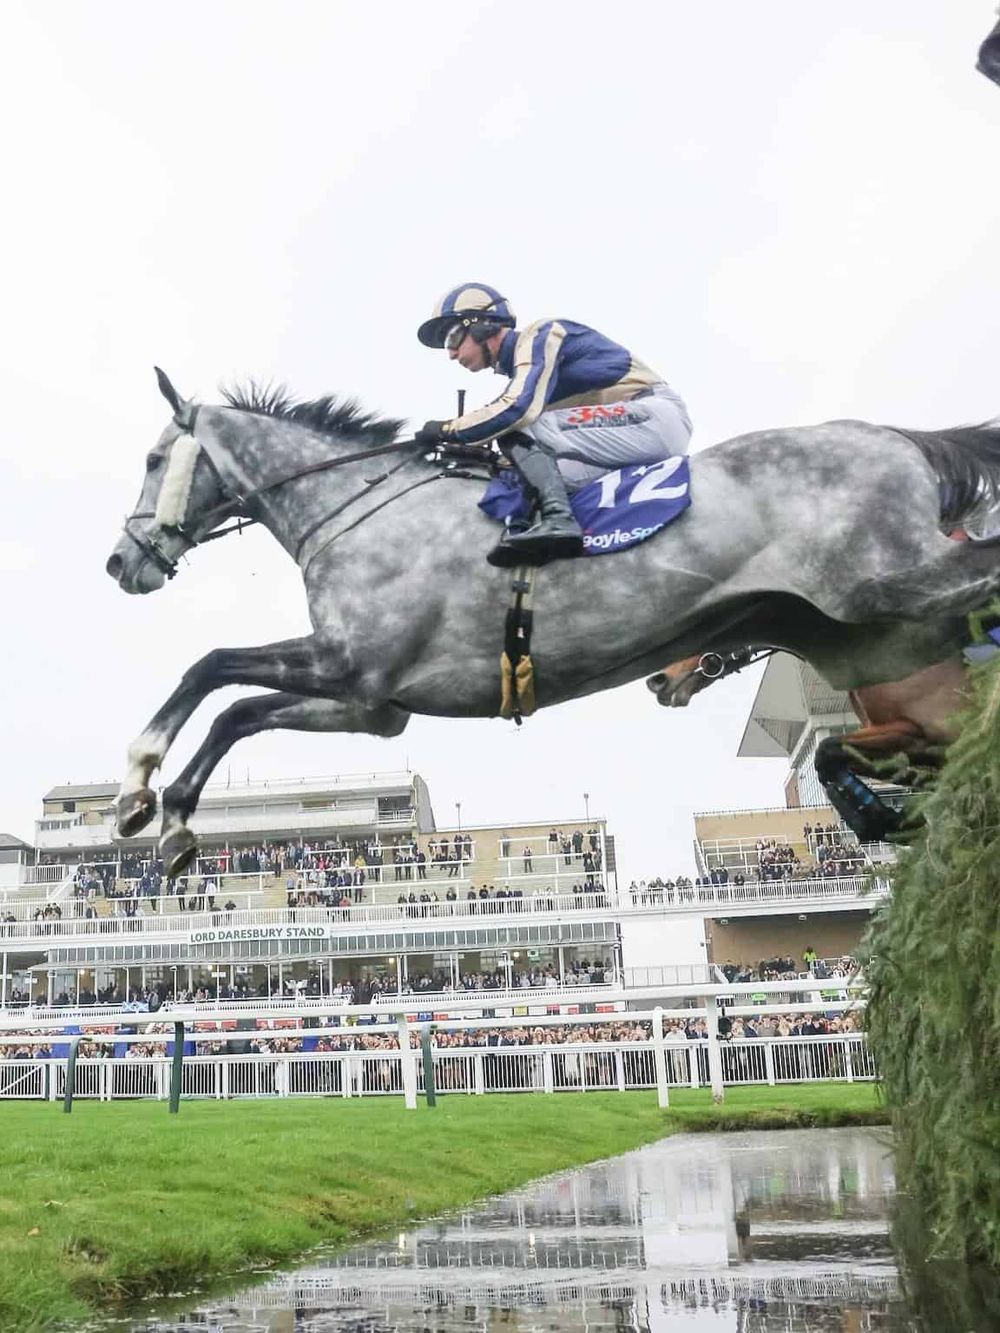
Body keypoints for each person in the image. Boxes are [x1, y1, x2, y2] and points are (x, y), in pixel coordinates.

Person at [416, 282, 692, 567]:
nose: (450, 353)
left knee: (519, 429)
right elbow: (533, 447)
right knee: (523, 476)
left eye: (452, 339)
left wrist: (449, 429)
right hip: (632, 433)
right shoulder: (528, 373)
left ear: (481, 326)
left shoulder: (541, 334)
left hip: (655, 415)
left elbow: (516, 410)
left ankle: (559, 521)